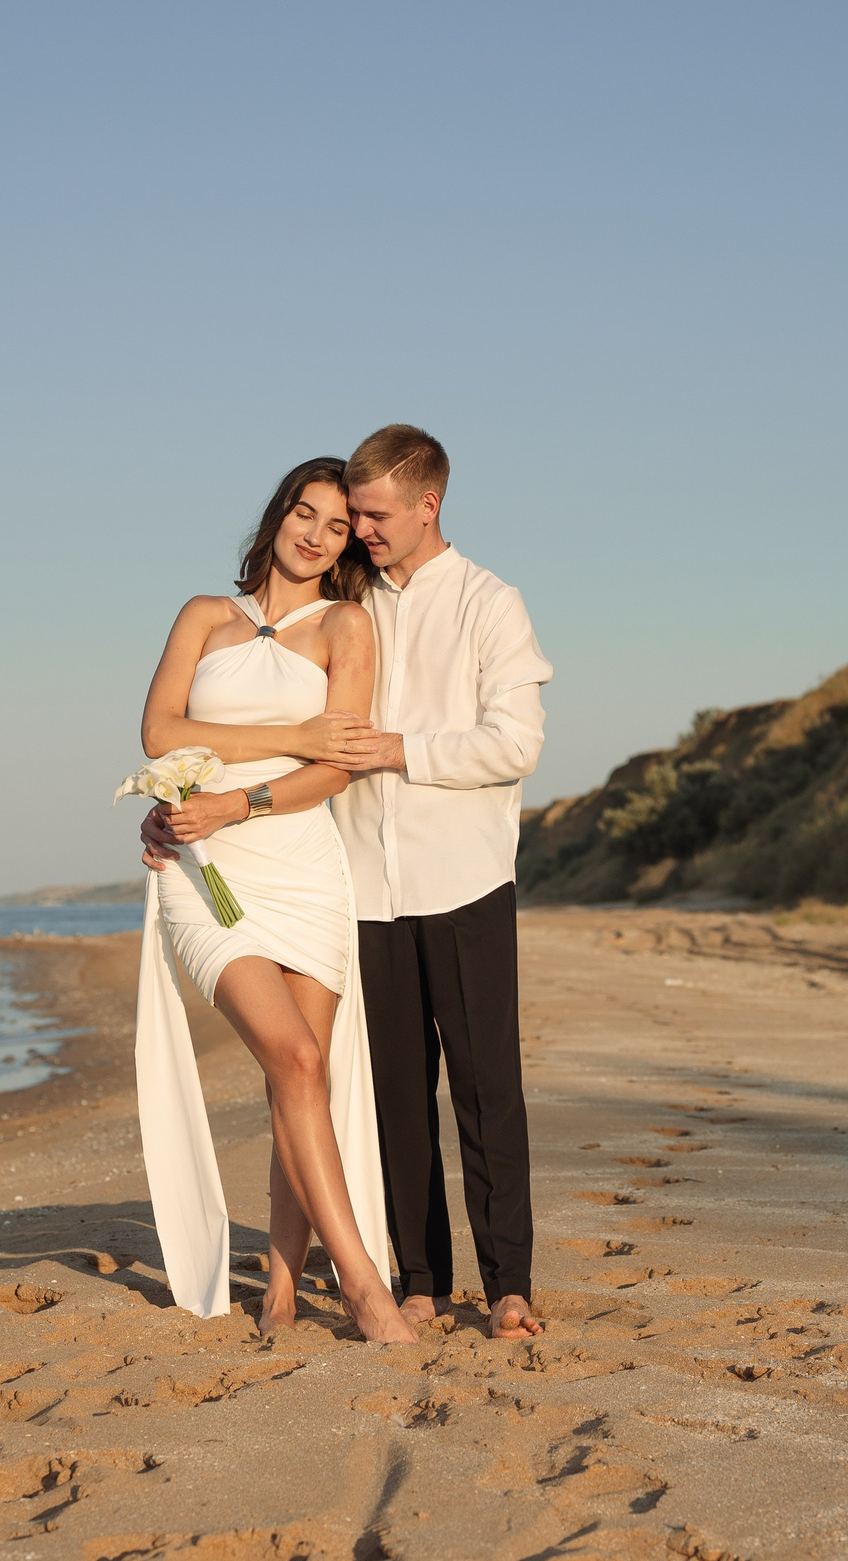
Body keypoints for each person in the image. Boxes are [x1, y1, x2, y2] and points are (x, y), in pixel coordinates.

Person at [129, 458, 416, 1345]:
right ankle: (365, 1285)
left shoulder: (347, 625)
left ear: (346, 546)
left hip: (300, 865)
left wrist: (243, 795)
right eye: (305, 512)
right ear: (278, 514)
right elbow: (160, 730)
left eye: (337, 526)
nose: (316, 534)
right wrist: (287, 736)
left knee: (303, 1077)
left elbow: (338, 767)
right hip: (205, 867)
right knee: (292, 1058)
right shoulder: (205, 616)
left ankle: (284, 1287)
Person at [322, 424, 553, 1339]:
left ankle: (510, 1286)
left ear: (429, 504)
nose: (360, 531)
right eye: (355, 513)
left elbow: (516, 742)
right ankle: (419, 1276)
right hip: (365, 887)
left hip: (464, 880)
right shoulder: (347, 606)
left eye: (374, 514)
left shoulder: (493, 603)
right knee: (394, 1095)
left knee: (487, 1089)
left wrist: (399, 750)